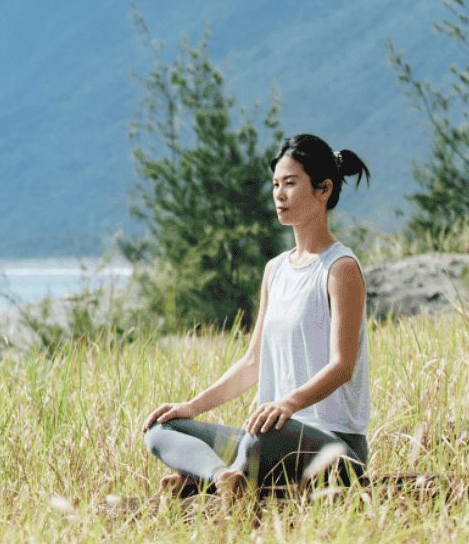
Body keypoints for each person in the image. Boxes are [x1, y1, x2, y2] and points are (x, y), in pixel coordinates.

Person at [141, 134, 373, 499]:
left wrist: (289, 404)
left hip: (332, 445)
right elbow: (252, 363)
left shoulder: (340, 268)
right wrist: (191, 407)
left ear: (324, 190)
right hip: (267, 435)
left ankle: (204, 478)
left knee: (261, 436)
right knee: (160, 430)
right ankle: (223, 477)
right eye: (276, 185)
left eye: (291, 184)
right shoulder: (275, 270)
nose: (279, 195)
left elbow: (342, 366)